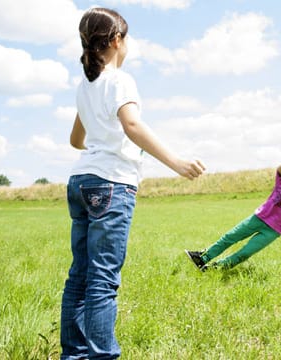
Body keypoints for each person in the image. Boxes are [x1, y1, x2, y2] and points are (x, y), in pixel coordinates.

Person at [61, 7, 205, 359]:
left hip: (81, 181)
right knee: (103, 281)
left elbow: (76, 140)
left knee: (79, 276)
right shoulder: (119, 79)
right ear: (116, 40)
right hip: (111, 184)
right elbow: (133, 126)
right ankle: (103, 355)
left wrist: (101, 139)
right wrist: (176, 162)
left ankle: (74, 354)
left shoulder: (87, 84)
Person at [185, 144, 281, 271]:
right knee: (230, 237)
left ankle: (214, 269)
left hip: (275, 229)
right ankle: (202, 258)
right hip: (261, 217)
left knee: (245, 253)